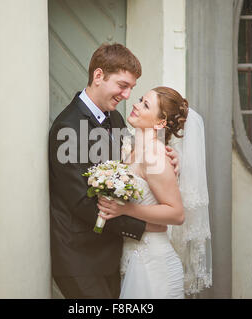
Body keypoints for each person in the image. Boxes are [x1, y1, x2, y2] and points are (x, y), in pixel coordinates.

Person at [48, 44, 179, 299]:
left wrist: (171, 156)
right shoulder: (68, 128)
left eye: (131, 88)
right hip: (80, 260)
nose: (128, 95)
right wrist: (143, 226)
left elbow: (136, 162)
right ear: (98, 76)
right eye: (122, 85)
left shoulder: (116, 119)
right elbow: (82, 203)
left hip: (113, 255)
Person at [97, 86, 212, 298]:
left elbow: (176, 214)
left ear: (160, 123)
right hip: (135, 259)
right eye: (141, 99)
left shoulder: (154, 156)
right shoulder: (133, 150)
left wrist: (127, 209)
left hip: (154, 267)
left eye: (145, 104)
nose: (136, 104)